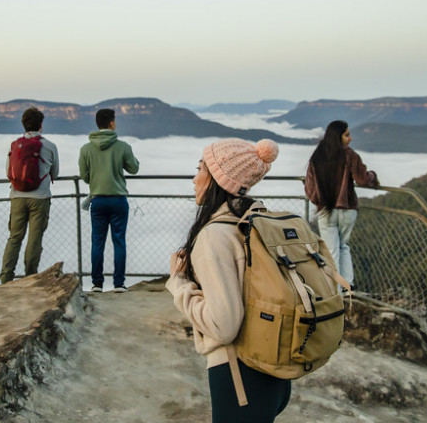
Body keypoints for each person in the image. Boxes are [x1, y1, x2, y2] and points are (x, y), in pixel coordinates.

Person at [167, 138, 288, 423]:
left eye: (200, 169)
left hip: (239, 375)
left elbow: (223, 327)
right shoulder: (255, 220)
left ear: (218, 180)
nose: (194, 179)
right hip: (272, 367)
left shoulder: (214, 236)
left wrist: (179, 284)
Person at [304, 120, 380, 287]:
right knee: (344, 247)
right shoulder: (350, 155)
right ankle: (348, 287)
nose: (350, 138)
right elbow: (362, 179)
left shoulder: (317, 156)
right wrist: (373, 176)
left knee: (331, 252)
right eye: (347, 135)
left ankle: (335, 291)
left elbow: (309, 188)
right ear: (338, 136)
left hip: (326, 210)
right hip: (347, 209)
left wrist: (319, 201)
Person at [78, 108, 140, 292]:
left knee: (97, 243)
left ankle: (97, 284)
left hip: (98, 201)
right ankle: (119, 284)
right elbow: (134, 168)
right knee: (119, 241)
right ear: (112, 123)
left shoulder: (86, 149)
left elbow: (85, 176)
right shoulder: (123, 146)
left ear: (98, 124)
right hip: (118, 200)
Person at [0, 107, 59, 284]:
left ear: (23, 125)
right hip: (40, 198)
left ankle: (6, 277)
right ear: (41, 125)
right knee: (34, 238)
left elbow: (8, 173)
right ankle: (30, 276)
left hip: (17, 197)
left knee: (15, 237)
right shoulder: (49, 146)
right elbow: (54, 174)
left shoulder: (14, 145)